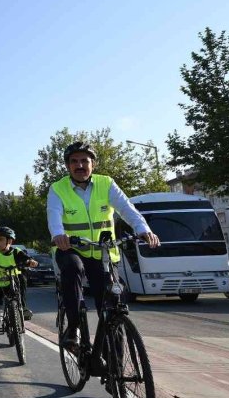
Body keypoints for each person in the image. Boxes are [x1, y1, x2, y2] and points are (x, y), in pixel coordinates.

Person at [47, 141, 161, 349]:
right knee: (73, 269)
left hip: (103, 253)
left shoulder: (106, 183)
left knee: (112, 304)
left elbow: (127, 209)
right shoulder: (58, 189)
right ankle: (73, 329)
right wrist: (59, 235)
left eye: (84, 161)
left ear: (93, 164)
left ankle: (114, 369)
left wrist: (143, 229)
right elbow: (54, 217)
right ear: (67, 166)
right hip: (70, 249)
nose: (79, 165)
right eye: (74, 162)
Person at [0, 226, 37, 353]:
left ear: (9, 241)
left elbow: (26, 259)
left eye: (1, 240)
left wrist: (30, 262)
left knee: (22, 278)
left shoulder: (16, 252)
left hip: (12, 283)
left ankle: (21, 309)